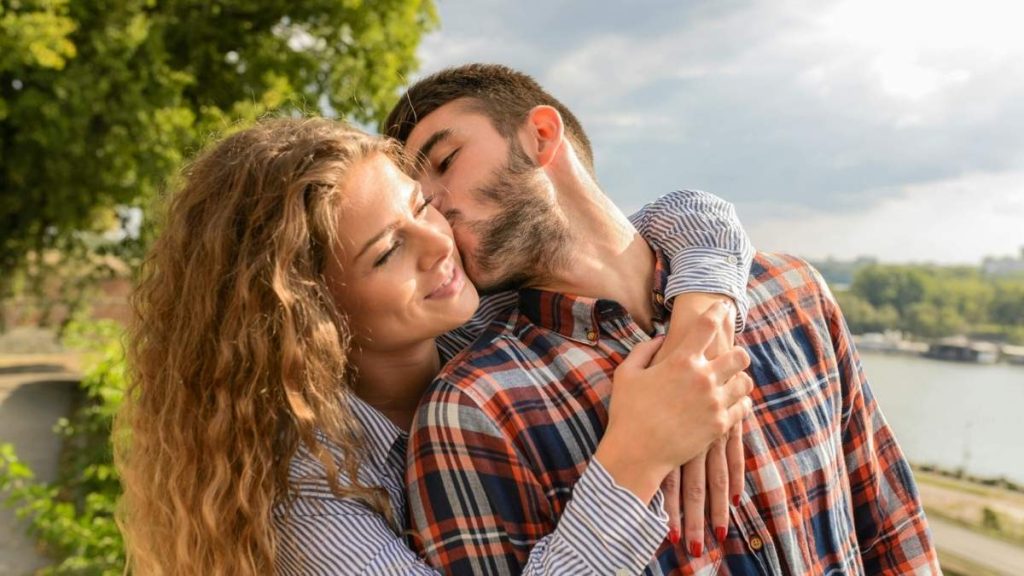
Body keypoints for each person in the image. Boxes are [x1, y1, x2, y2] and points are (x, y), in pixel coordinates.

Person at [115, 117, 760, 575]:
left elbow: (682, 217)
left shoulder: (475, 319)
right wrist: (634, 459)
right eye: (389, 251)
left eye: (421, 206)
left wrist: (701, 322)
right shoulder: (309, 500)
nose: (439, 243)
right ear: (308, 313)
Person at [384, 63, 941, 575]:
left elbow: (892, 531)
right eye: (418, 200)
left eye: (445, 162)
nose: (435, 207)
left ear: (542, 137)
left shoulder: (795, 294)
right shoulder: (472, 410)